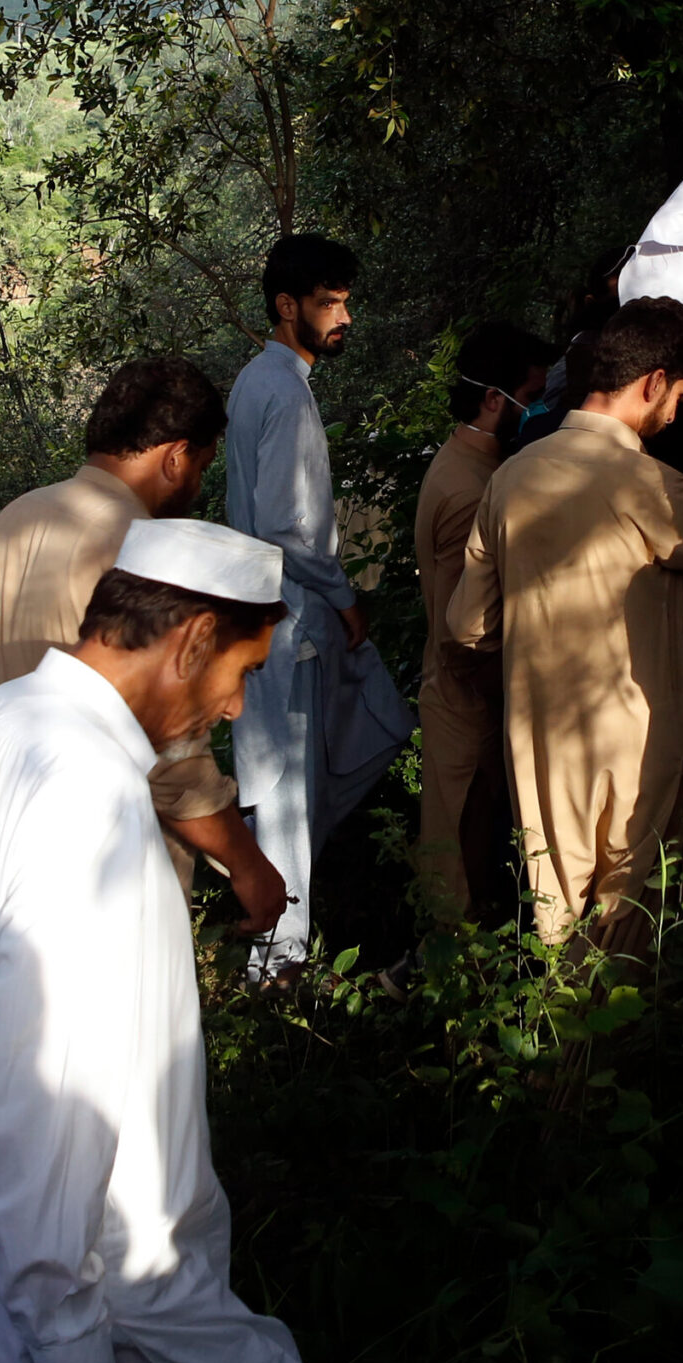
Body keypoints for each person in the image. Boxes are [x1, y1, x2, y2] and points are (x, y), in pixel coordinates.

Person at [0, 519, 323, 1363]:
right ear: (194, 639)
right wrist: (71, 1343)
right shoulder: (87, 792)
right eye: (244, 672)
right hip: (101, 1299)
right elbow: (43, 1101)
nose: (236, 707)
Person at [449, 299, 683, 951]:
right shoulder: (646, 484)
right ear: (654, 382)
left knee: (553, 929)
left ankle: (546, 1018)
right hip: (637, 746)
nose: (676, 416)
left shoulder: (509, 479)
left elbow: (468, 625)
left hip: (538, 743)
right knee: (629, 934)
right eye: (681, 398)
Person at [0, 358, 287, 928]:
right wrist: (247, 865)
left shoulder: (5, 525)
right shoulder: (145, 555)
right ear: (176, 456)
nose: (196, 486)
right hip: (103, 872)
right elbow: (174, 757)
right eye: (201, 466)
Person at [229, 232, 406, 980]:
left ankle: (279, 954)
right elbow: (282, 528)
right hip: (289, 620)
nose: (345, 317)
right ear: (286, 305)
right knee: (284, 797)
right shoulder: (283, 392)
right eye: (330, 303)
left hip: (273, 619)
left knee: (294, 787)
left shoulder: (260, 382)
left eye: (345, 302)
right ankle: (278, 968)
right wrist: (342, 595)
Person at [413, 322, 550, 926]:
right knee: (461, 871)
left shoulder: (465, 463)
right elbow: (461, 626)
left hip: (461, 696)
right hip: (466, 702)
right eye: (532, 396)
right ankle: (453, 970)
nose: (538, 410)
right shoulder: (472, 487)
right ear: (496, 399)